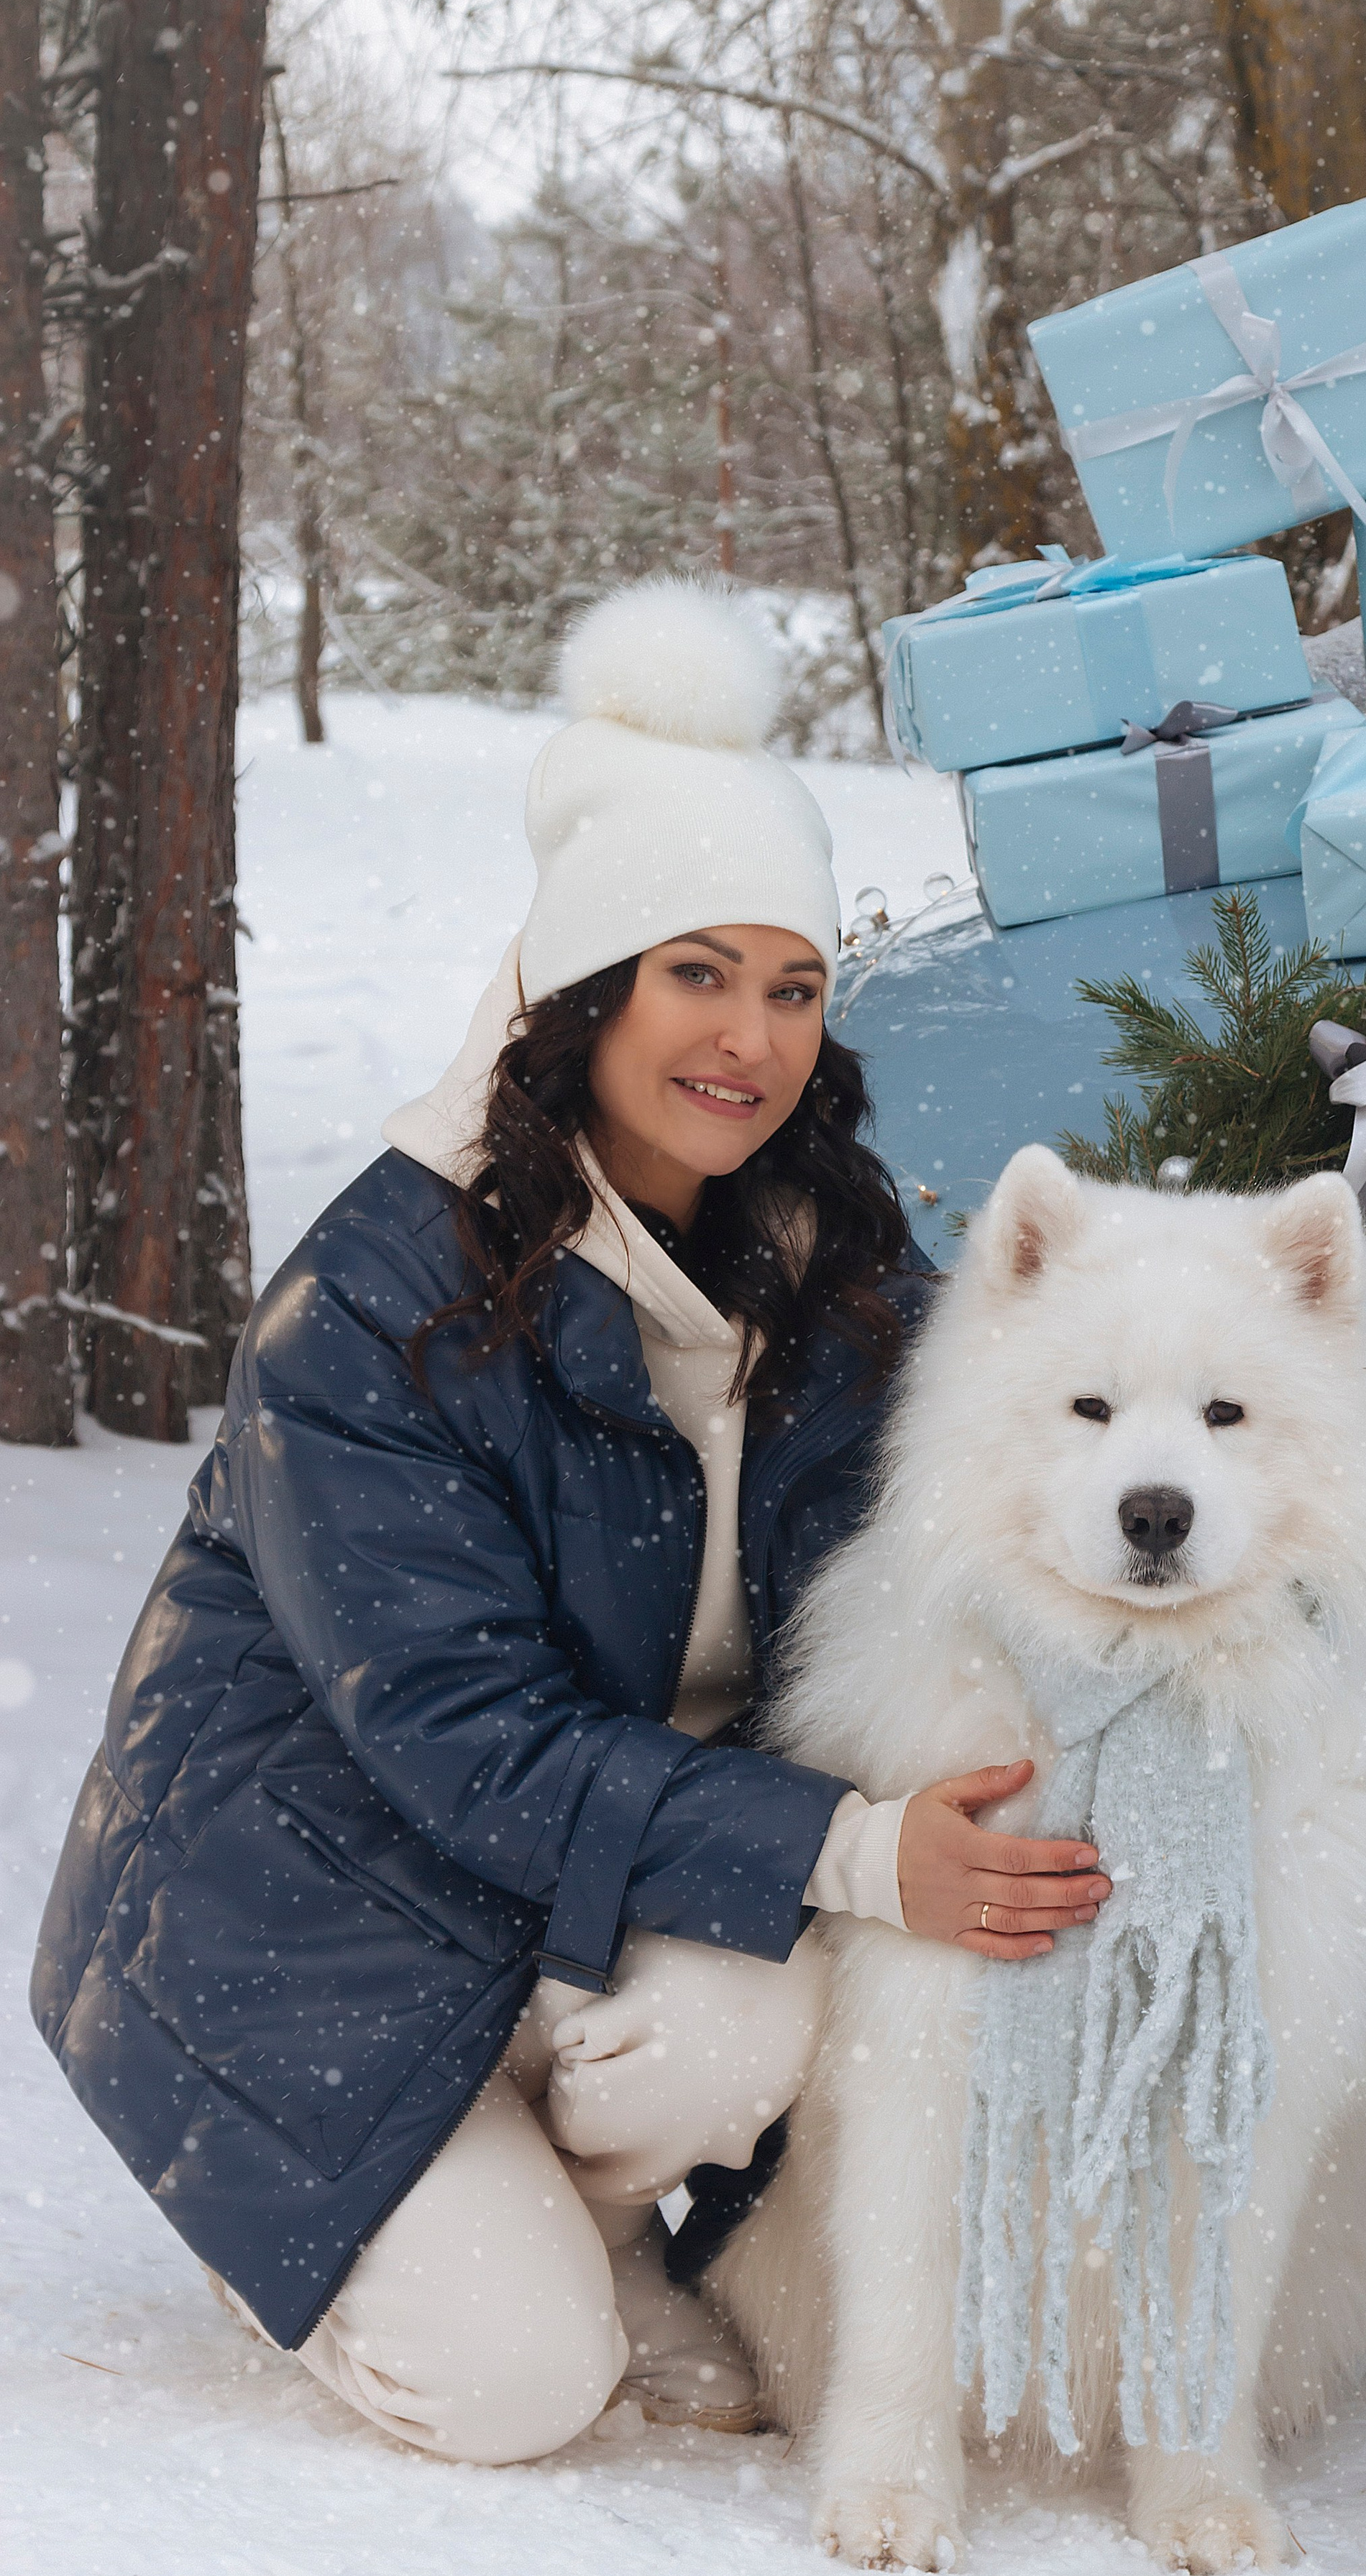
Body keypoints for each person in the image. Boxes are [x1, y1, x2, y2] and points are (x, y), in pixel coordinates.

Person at [31, 578, 1111, 2467]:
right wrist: (860, 1852)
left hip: (569, 1894)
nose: (751, 1040)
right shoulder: (377, 1302)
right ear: (583, 990)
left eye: (792, 986)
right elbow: (467, 1740)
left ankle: (563, 2213)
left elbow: (1005, 1443)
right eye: (697, 972)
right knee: (515, 2389)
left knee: (750, 2015)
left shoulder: (827, 1265)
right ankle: (315, 2213)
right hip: (304, 1923)